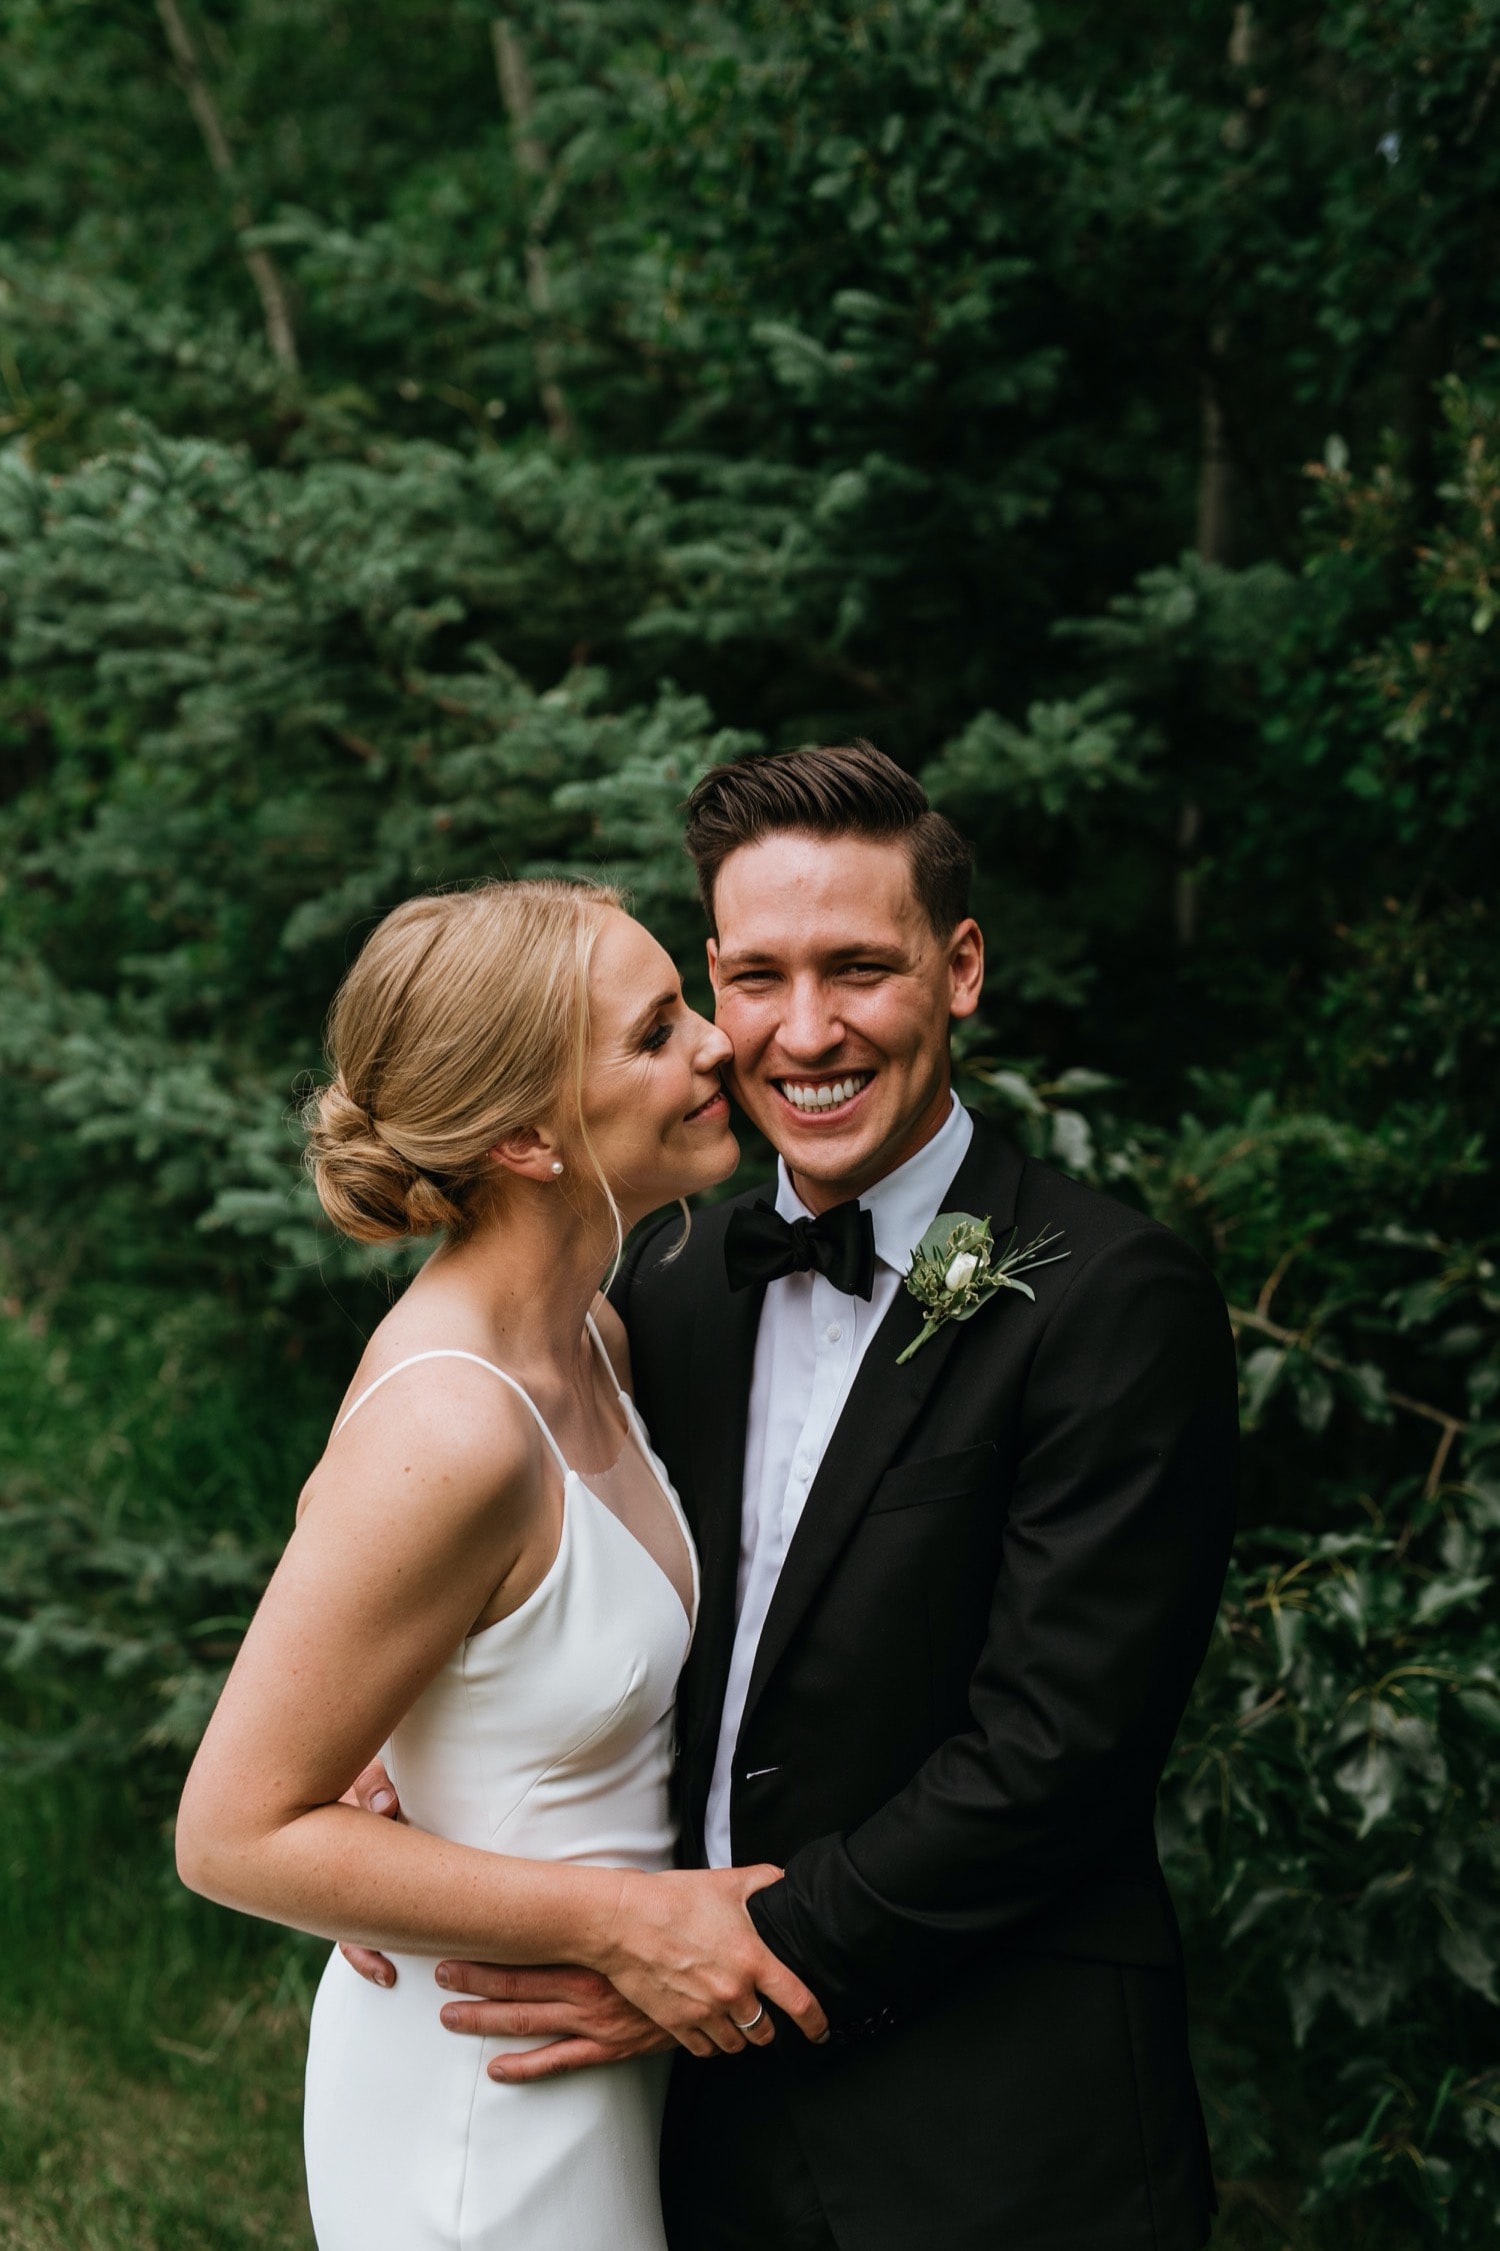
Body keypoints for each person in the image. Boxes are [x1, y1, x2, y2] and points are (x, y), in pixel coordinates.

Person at [349, 742, 1240, 2250]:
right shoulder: (660, 1281)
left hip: (999, 2130)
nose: (805, 1031)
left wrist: (722, 1953)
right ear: (711, 983)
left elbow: (1057, 1752)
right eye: (757, 977)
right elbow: (467, 1494)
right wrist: (399, 1719)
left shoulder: (1114, 1298)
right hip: (681, 2135)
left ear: (958, 968)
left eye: (859, 969)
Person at [174, 876, 828, 2251]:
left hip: (597, 2079)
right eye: (655, 1032)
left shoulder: (592, 1333)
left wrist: (389, 1741)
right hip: (479, 2088)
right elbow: (228, 1831)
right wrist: (626, 1925)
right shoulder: (459, 1419)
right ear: (529, 1135)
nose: (719, 1042)